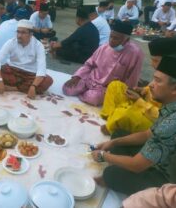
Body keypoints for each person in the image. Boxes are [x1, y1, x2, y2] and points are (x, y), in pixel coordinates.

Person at [91, 56, 176, 196]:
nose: (151, 85)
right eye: (154, 79)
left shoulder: (172, 122)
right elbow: (148, 134)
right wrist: (112, 142)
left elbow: (137, 165)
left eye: (158, 81)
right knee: (119, 135)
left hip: (167, 179)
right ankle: (121, 168)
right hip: (159, 158)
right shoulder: (170, 106)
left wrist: (104, 156)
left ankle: (117, 174)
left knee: (111, 174)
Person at [99, 37, 176, 136]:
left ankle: (112, 125)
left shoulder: (172, 80)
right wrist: (143, 90)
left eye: (156, 61)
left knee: (127, 114)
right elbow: (152, 87)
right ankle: (110, 117)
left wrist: (139, 101)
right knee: (115, 86)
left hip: (151, 117)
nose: (152, 64)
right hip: (142, 104)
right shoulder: (165, 71)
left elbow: (162, 116)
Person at [62, 22, 144, 106]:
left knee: (93, 98)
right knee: (67, 88)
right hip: (90, 80)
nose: (111, 40)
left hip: (106, 88)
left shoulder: (135, 53)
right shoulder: (104, 47)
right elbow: (89, 64)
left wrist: (126, 94)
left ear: (126, 40)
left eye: (116, 38)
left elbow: (133, 77)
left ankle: (88, 93)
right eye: (111, 36)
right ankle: (86, 91)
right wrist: (77, 77)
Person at [0, 19, 53, 99]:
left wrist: (33, 86)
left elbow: (41, 69)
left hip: (30, 74)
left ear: (31, 34)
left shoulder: (38, 46)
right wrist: (0, 80)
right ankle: (23, 87)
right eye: (18, 32)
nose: (19, 35)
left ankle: (13, 88)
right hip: (12, 70)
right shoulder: (11, 42)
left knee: (47, 81)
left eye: (23, 33)